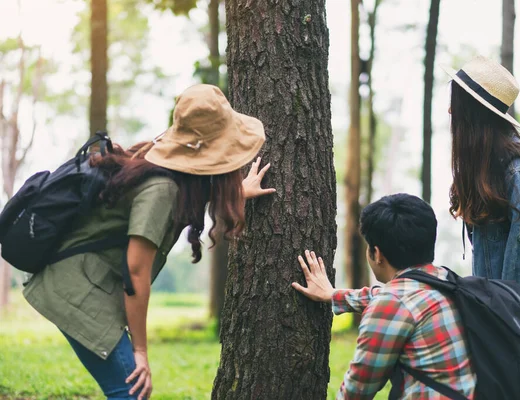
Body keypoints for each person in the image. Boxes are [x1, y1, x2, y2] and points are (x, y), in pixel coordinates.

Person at [22, 84, 275, 400]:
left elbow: (189, 187)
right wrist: (140, 350)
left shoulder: (160, 167)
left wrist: (235, 193)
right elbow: (136, 272)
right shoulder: (161, 190)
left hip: (82, 284)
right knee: (132, 393)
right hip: (73, 291)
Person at [292, 194, 475, 399]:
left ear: (377, 254)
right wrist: (333, 295)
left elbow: (356, 392)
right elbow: (386, 298)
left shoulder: (393, 302)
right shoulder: (445, 280)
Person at [443, 55, 520, 328]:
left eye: (457, 104)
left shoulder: (518, 171)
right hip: (498, 309)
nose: (451, 111)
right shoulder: (486, 167)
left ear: (473, 111)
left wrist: (504, 313)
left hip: (518, 315)